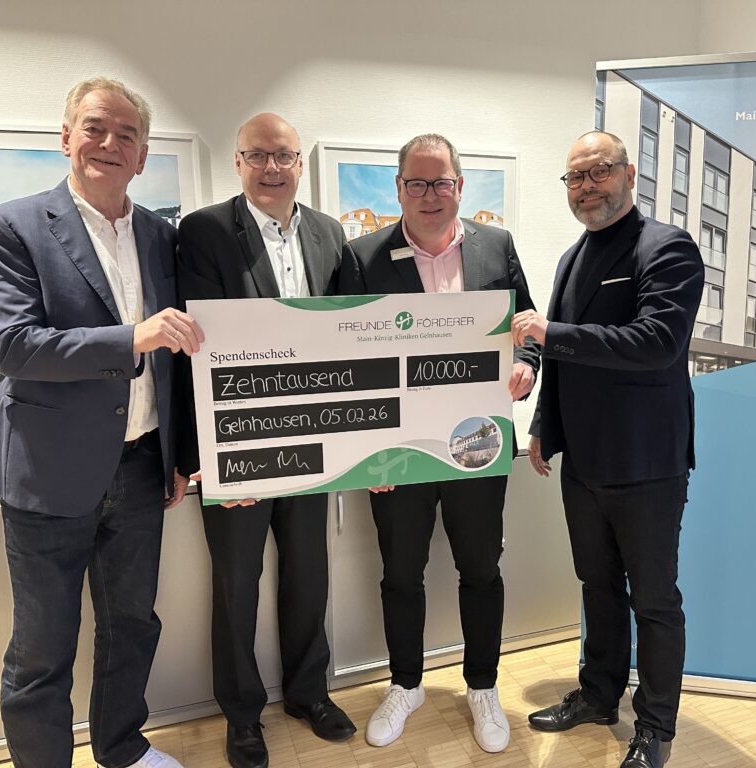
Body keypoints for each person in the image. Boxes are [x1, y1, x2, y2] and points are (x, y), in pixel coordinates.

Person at [0, 77, 202, 768]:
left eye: (127, 135)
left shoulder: (163, 236)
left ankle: (122, 748)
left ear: (142, 156)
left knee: (132, 625)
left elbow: (178, 361)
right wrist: (133, 337)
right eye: (96, 128)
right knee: (42, 647)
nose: (110, 143)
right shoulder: (11, 225)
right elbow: (13, 346)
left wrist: (179, 455)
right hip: (48, 473)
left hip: (141, 467)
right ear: (66, 137)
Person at [343, 133, 540, 754]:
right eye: (417, 183)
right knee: (401, 573)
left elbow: (528, 327)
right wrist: (364, 456)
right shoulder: (362, 256)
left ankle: (483, 686)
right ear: (398, 189)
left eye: (442, 182)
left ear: (460, 186)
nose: (430, 195)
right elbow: (344, 358)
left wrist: (527, 364)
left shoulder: (496, 246)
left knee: (480, 570)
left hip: (478, 442)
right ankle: (406, 685)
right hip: (397, 452)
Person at [512, 131, 704, 768]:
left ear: (628, 174)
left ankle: (655, 728)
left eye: (598, 172)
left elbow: (657, 342)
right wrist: (544, 426)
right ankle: (599, 695)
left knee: (654, 601)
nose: (586, 186)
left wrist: (554, 332)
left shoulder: (667, 247)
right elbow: (561, 358)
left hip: (647, 463)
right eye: (575, 177)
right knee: (596, 586)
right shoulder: (573, 257)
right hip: (585, 463)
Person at [174, 113, 356, 768]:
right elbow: (194, 351)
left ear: (300, 163)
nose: (272, 167)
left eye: (283, 156)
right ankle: (242, 714)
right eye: (258, 155)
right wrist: (207, 456)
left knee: (310, 573)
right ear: (238, 162)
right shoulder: (203, 232)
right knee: (237, 584)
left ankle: (309, 693)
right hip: (238, 443)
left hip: (313, 442)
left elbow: (348, 336)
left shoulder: (330, 233)